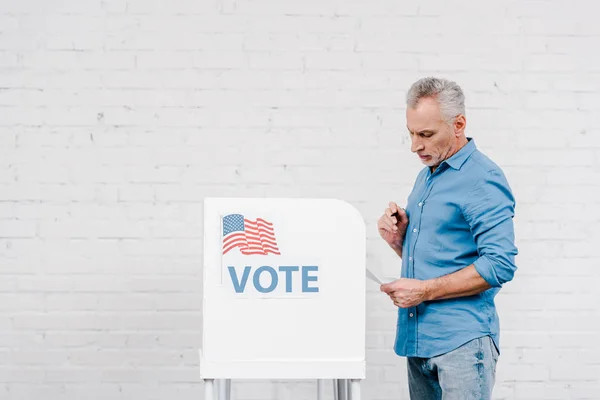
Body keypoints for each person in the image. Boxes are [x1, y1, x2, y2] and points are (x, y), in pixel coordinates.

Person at [378, 77, 518, 400]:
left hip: (462, 345)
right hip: (419, 342)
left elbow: (500, 264)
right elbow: (443, 258)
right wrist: (399, 240)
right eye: (411, 133)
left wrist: (424, 290)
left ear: (459, 124)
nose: (415, 146)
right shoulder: (425, 177)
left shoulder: (482, 178)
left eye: (426, 135)